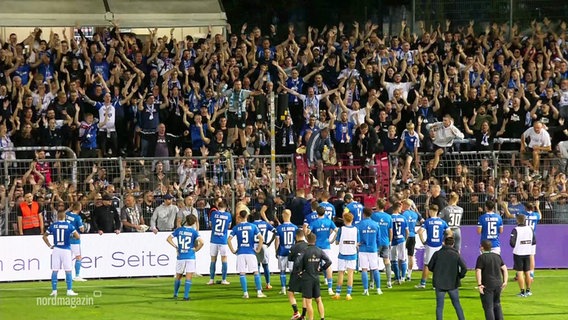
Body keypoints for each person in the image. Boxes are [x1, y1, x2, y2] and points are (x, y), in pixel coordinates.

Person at [228, 210, 267, 299]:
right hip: (250, 252)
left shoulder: (236, 227)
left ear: (239, 217)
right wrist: (258, 249)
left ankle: (245, 293)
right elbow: (261, 238)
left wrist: (233, 250)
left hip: (241, 252)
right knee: (256, 272)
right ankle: (259, 292)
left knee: (242, 273)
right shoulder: (253, 226)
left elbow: (229, 240)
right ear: (247, 216)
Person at [42, 209, 80, 296]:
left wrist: (50, 245)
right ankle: (69, 290)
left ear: (57, 217)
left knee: (55, 270)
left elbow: (44, 236)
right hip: (66, 250)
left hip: (56, 249)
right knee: (68, 270)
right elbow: (77, 237)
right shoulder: (69, 226)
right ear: (65, 217)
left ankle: (54, 291)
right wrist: (70, 235)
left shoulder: (53, 225)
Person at [428, 236, 467, 320]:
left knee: (439, 306)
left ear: (444, 243)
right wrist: (459, 276)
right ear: (453, 244)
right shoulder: (456, 254)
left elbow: (430, 266)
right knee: (457, 305)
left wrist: (437, 272)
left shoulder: (437, 254)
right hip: (452, 283)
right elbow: (464, 268)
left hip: (439, 283)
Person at [167, 215, 204, 300]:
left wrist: (176, 247)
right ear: (194, 222)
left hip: (181, 256)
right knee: (189, 276)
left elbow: (168, 239)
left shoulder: (179, 230)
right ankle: (186, 296)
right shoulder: (194, 232)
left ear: (186, 221)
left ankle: (175, 294)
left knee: (178, 276)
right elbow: (202, 242)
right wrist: (196, 249)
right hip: (190, 256)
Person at [297, 232, 331, 320]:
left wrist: (299, 271)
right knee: (319, 300)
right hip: (316, 277)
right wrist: (321, 269)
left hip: (307, 278)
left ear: (307, 240)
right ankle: (322, 318)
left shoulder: (304, 251)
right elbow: (329, 261)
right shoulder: (319, 250)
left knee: (308, 302)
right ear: (315, 240)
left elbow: (297, 261)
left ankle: (311, 319)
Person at [416, 204, 449, 289]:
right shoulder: (442, 222)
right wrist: (444, 241)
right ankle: (436, 284)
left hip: (430, 245)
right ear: (437, 211)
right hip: (439, 245)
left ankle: (423, 283)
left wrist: (423, 241)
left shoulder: (428, 221)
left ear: (431, 211)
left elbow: (420, 232)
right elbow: (450, 233)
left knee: (427, 265)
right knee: (438, 265)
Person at [308, 206, 338, 295]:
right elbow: (336, 230)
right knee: (328, 266)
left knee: (314, 266)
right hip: (326, 246)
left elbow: (308, 232)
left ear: (317, 213)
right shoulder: (329, 222)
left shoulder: (314, 222)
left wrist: (310, 240)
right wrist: (332, 240)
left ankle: (314, 287)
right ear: (324, 212)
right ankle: (330, 288)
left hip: (316, 246)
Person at [476, 239, 508, 320]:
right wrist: (505, 281)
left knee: (488, 307)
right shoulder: (497, 256)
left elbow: (478, 270)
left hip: (487, 285)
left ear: (482, 248)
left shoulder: (481, 257)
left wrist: (479, 284)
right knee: (497, 304)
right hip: (498, 284)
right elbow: (504, 269)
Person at [357, 208, 383, 296]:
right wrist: (377, 247)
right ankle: (378, 289)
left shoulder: (359, 225)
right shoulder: (376, 224)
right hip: (373, 249)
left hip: (363, 249)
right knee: (375, 268)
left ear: (363, 214)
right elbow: (379, 239)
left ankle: (365, 290)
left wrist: (359, 244)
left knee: (364, 269)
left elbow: (358, 238)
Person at [332, 212, 358, 300]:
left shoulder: (341, 229)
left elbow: (337, 242)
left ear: (344, 220)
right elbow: (357, 242)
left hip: (342, 253)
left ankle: (338, 293)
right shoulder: (356, 229)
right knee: (350, 274)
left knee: (341, 273)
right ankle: (348, 294)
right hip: (352, 253)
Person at [510, 214, 536, 297]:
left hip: (518, 253)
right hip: (527, 253)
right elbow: (534, 241)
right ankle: (528, 290)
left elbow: (512, 243)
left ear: (517, 220)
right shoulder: (530, 229)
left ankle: (522, 292)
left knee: (520, 273)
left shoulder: (515, 229)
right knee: (527, 272)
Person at [274, 209, 299, 295]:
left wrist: (276, 251)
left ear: (283, 215)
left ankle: (283, 288)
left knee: (282, 270)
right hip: (292, 252)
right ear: (290, 215)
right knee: (293, 271)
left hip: (282, 251)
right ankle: (293, 288)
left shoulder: (279, 228)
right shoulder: (295, 227)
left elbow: (277, 240)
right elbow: (297, 240)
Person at [208, 198, 232, 285]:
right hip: (223, 240)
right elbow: (229, 226)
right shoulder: (228, 215)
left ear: (218, 206)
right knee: (224, 259)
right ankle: (224, 279)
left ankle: (211, 279)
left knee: (213, 259)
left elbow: (210, 224)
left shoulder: (214, 213)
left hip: (214, 239)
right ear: (225, 207)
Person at [371, 199, 394, 288]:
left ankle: (372, 283)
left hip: (375, 242)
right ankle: (389, 281)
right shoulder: (388, 217)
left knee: (373, 262)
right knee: (387, 261)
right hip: (385, 241)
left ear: (377, 205)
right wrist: (390, 241)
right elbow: (390, 231)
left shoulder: (373, 216)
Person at [287, 229, 309, 320]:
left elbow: (290, 262)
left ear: (296, 236)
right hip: (307, 273)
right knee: (305, 294)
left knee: (290, 292)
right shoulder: (309, 246)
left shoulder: (294, 247)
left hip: (296, 272)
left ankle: (296, 312)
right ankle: (303, 315)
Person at [252, 211, 276, 290]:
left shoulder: (252, 225)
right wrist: (269, 242)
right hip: (264, 245)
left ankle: (258, 285)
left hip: (255, 245)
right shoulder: (265, 224)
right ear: (260, 217)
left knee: (257, 265)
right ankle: (268, 284)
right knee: (265, 265)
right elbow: (275, 232)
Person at [401, 199, 423, 281]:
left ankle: (402, 275)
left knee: (402, 256)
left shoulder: (403, 214)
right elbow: (423, 222)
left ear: (406, 205)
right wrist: (418, 230)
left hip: (404, 236)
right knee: (410, 256)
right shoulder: (415, 214)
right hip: (413, 236)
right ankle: (409, 275)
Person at [66, 202, 86, 281]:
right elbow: (81, 229)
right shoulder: (78, 217)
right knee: (78, 257)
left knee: (68, 258)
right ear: (79, 208)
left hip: (67, 239)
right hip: (74, 239)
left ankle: (68, 276)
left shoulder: (67, 214)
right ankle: (77, 275)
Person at [390, 201, 409, 284]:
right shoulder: (403, 218)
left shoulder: (390, 218)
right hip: (401, 240)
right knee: (403, 259)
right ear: (398, 208)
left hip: (393, 240)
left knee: (394, 260)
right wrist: (405, 239)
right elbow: (407, 231)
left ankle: (397, 278)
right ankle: (403, 277)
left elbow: (389, 230)